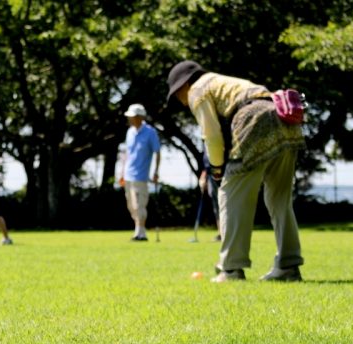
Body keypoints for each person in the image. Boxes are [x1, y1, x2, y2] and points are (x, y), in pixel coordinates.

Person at [166, 60, 306, 282]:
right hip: (284, 118)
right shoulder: (222, 82)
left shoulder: (197, 90)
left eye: (176, 94)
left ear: (184, 85)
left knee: (229, 193)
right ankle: (288, 265)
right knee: (280, 198)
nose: (181, 101)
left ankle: (231, 268)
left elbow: (211, 136)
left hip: (254, 119)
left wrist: (217, 168)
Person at [119, 104, 161, 241]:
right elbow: (127, 154)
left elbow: (157, 152)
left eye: (132, 117)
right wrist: (121, 172)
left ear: (139, 117)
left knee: (139, 205)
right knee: (131, 206)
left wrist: (155, 172)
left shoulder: (150, 132)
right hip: (128, 174)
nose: (130, 119)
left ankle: (140, 232)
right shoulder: (129, 132)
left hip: (142, 175)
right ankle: (139, 230)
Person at [199, 151, 222, 242]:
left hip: (220, 172)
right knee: (216, 205)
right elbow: (206, 165)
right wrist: (203, 177)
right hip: (210, 176)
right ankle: (221, 233)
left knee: (223, 204)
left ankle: (226, 232)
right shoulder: (205, 143)